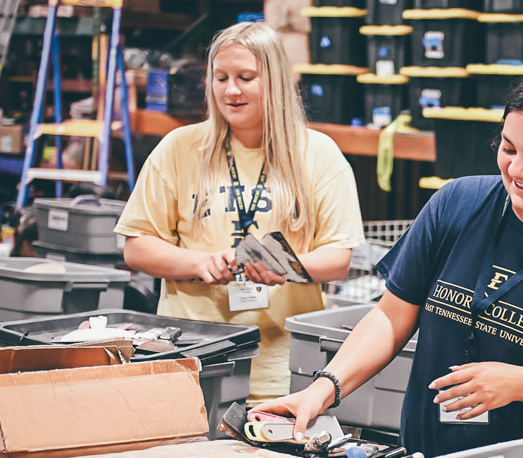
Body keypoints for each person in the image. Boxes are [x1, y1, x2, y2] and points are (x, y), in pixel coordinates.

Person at [254, 69, 523, 457]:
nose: (516, 169)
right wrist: (323, 389)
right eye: (508, 148)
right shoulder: (457, 204)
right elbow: (391, 317)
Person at [116, 21, 364, 404]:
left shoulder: (318, 153)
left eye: (246, 77)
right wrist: (198, 262)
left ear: (276, 80)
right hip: (190, 361)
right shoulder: (180, 148)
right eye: (221, 77)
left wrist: (285, 268)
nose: (231, 90)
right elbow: (136, 247)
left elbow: (338, 258)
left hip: (282, 370)